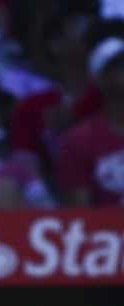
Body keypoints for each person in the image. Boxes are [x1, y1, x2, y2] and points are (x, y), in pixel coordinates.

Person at [9, 2, 102, 180]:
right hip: (56, 199)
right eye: (81, 25)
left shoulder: (114, 97)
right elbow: (25, 166)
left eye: (95, 26)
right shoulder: (32, 106)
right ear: (55, 44)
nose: (92, 33)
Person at [57, 36, 124, 206]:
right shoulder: (80, 139)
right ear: (100, 79)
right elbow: (80, 218)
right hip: (106, 231)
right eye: (121, 65)